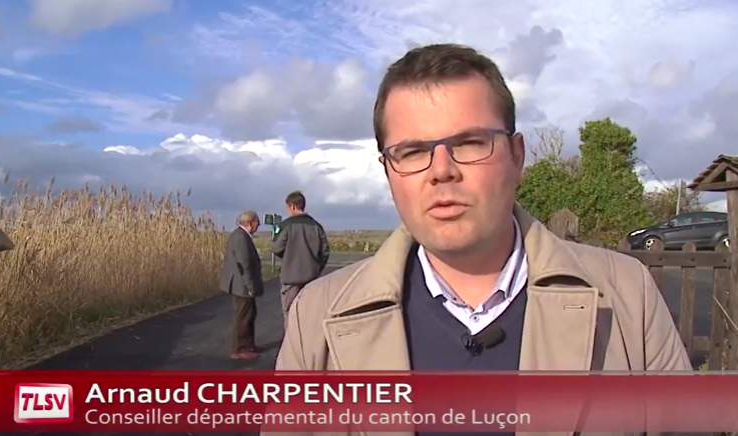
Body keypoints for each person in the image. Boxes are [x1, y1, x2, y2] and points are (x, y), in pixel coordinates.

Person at [275, 43, 691, 376]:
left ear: (516, 157)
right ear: (388, 172)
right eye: (413, 151)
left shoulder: (627, 297)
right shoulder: (316, 317)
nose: (441, 171)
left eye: (469, 143)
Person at [270, 191, 330, 327]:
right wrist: (316, 267)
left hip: (290, 277)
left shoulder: (284, 226)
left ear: (291, 207)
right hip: (312, 277)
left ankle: (292, 344)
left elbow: (275, 247)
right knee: (310, 312)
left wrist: (287, 258)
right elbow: (325, 251)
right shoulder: (316, 226)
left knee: (290, 312)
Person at [218, 210, 264, 360]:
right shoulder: (241, 238)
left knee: (250, 314)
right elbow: (244, 264)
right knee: (243, 316)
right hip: (241, 284)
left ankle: (249, 344)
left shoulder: (241, 235)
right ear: (250, 223)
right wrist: (250, 286)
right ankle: (239, 349)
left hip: (241, 283)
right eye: (257, 221)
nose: (259, 224)